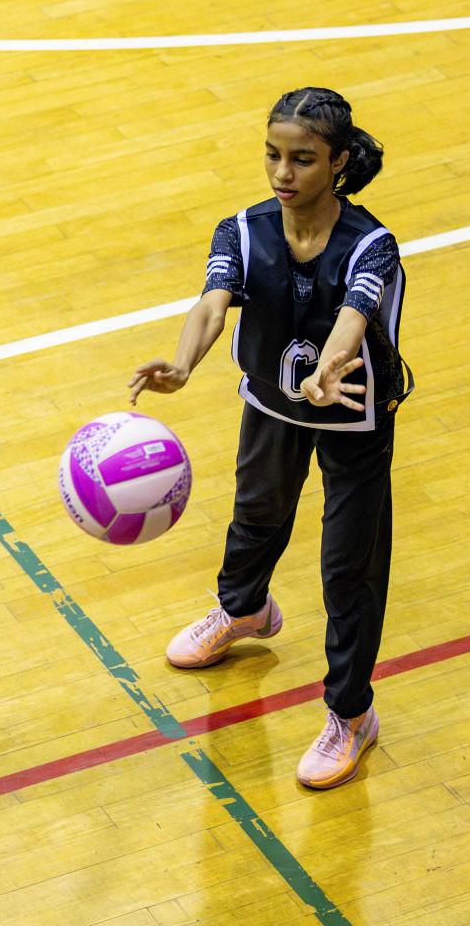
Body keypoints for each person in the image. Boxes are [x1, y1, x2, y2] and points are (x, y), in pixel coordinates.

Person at [129, 87, 411, 790]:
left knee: (348, 569)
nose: (283, 173)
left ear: (339, 161)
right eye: (273, 155)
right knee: (255, 512)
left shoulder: (371, 245)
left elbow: (354, 315)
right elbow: (212, 303)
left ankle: (352, 714)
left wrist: (329, 370)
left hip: (352, 415)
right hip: (274, 404)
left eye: (303, 160)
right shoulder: (243, 231)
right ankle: (244, 609)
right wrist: (183, 364)